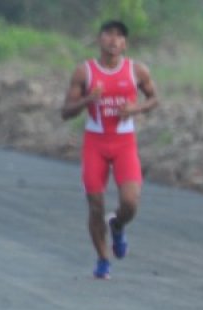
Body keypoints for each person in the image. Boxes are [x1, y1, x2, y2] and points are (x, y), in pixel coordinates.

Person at [61, 20, 159, 279]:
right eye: (108, 35)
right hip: (95, 143)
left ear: (124, 43)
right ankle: (103, 259)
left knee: (130, 203)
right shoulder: (85, 72)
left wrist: (135, 109)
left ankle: (117, 225)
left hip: (124, 143)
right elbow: (65, 112)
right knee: (95, 205)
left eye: (119, 36)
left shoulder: (136, 70)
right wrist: (87, 100)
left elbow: (154, 98)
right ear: (99, 39)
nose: (114, 40)